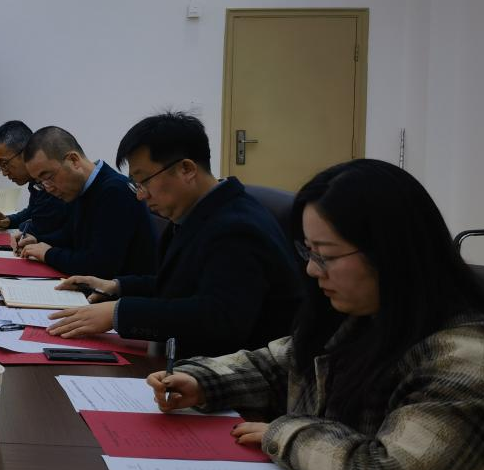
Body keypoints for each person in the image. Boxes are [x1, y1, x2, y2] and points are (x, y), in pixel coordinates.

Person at [147, 159, 484, 470]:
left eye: (326, 255)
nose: (312, 270)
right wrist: (201, 380)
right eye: (307, 252)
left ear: (391, 253)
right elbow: (277, 363)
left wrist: (286, 433)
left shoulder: (466, 357)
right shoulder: (365, 316)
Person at [47, 111, 301, 357]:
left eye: (144, 181)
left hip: (227, 373)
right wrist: (116, 286)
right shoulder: (198, 212)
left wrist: (119, 314)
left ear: (186, 169)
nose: (140, 194)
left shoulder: (237, 228)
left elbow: (217, 317)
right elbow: (179, 286)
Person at [14, 126, 157, 279]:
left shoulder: (115, 191)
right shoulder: (81, 189)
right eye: (40, 183)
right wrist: (37, 240)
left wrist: (48, 254)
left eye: (48, 177)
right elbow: (69, 235)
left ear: (74, 160)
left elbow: (99, 266)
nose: (48, 189)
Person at [0, 120, 70, 241]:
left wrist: (23, 226)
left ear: (26, 152)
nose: (4, 173)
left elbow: (41, 226)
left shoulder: (51, 181)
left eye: (5, 163)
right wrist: (9, 220)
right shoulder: (34, 181)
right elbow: (33, 211)